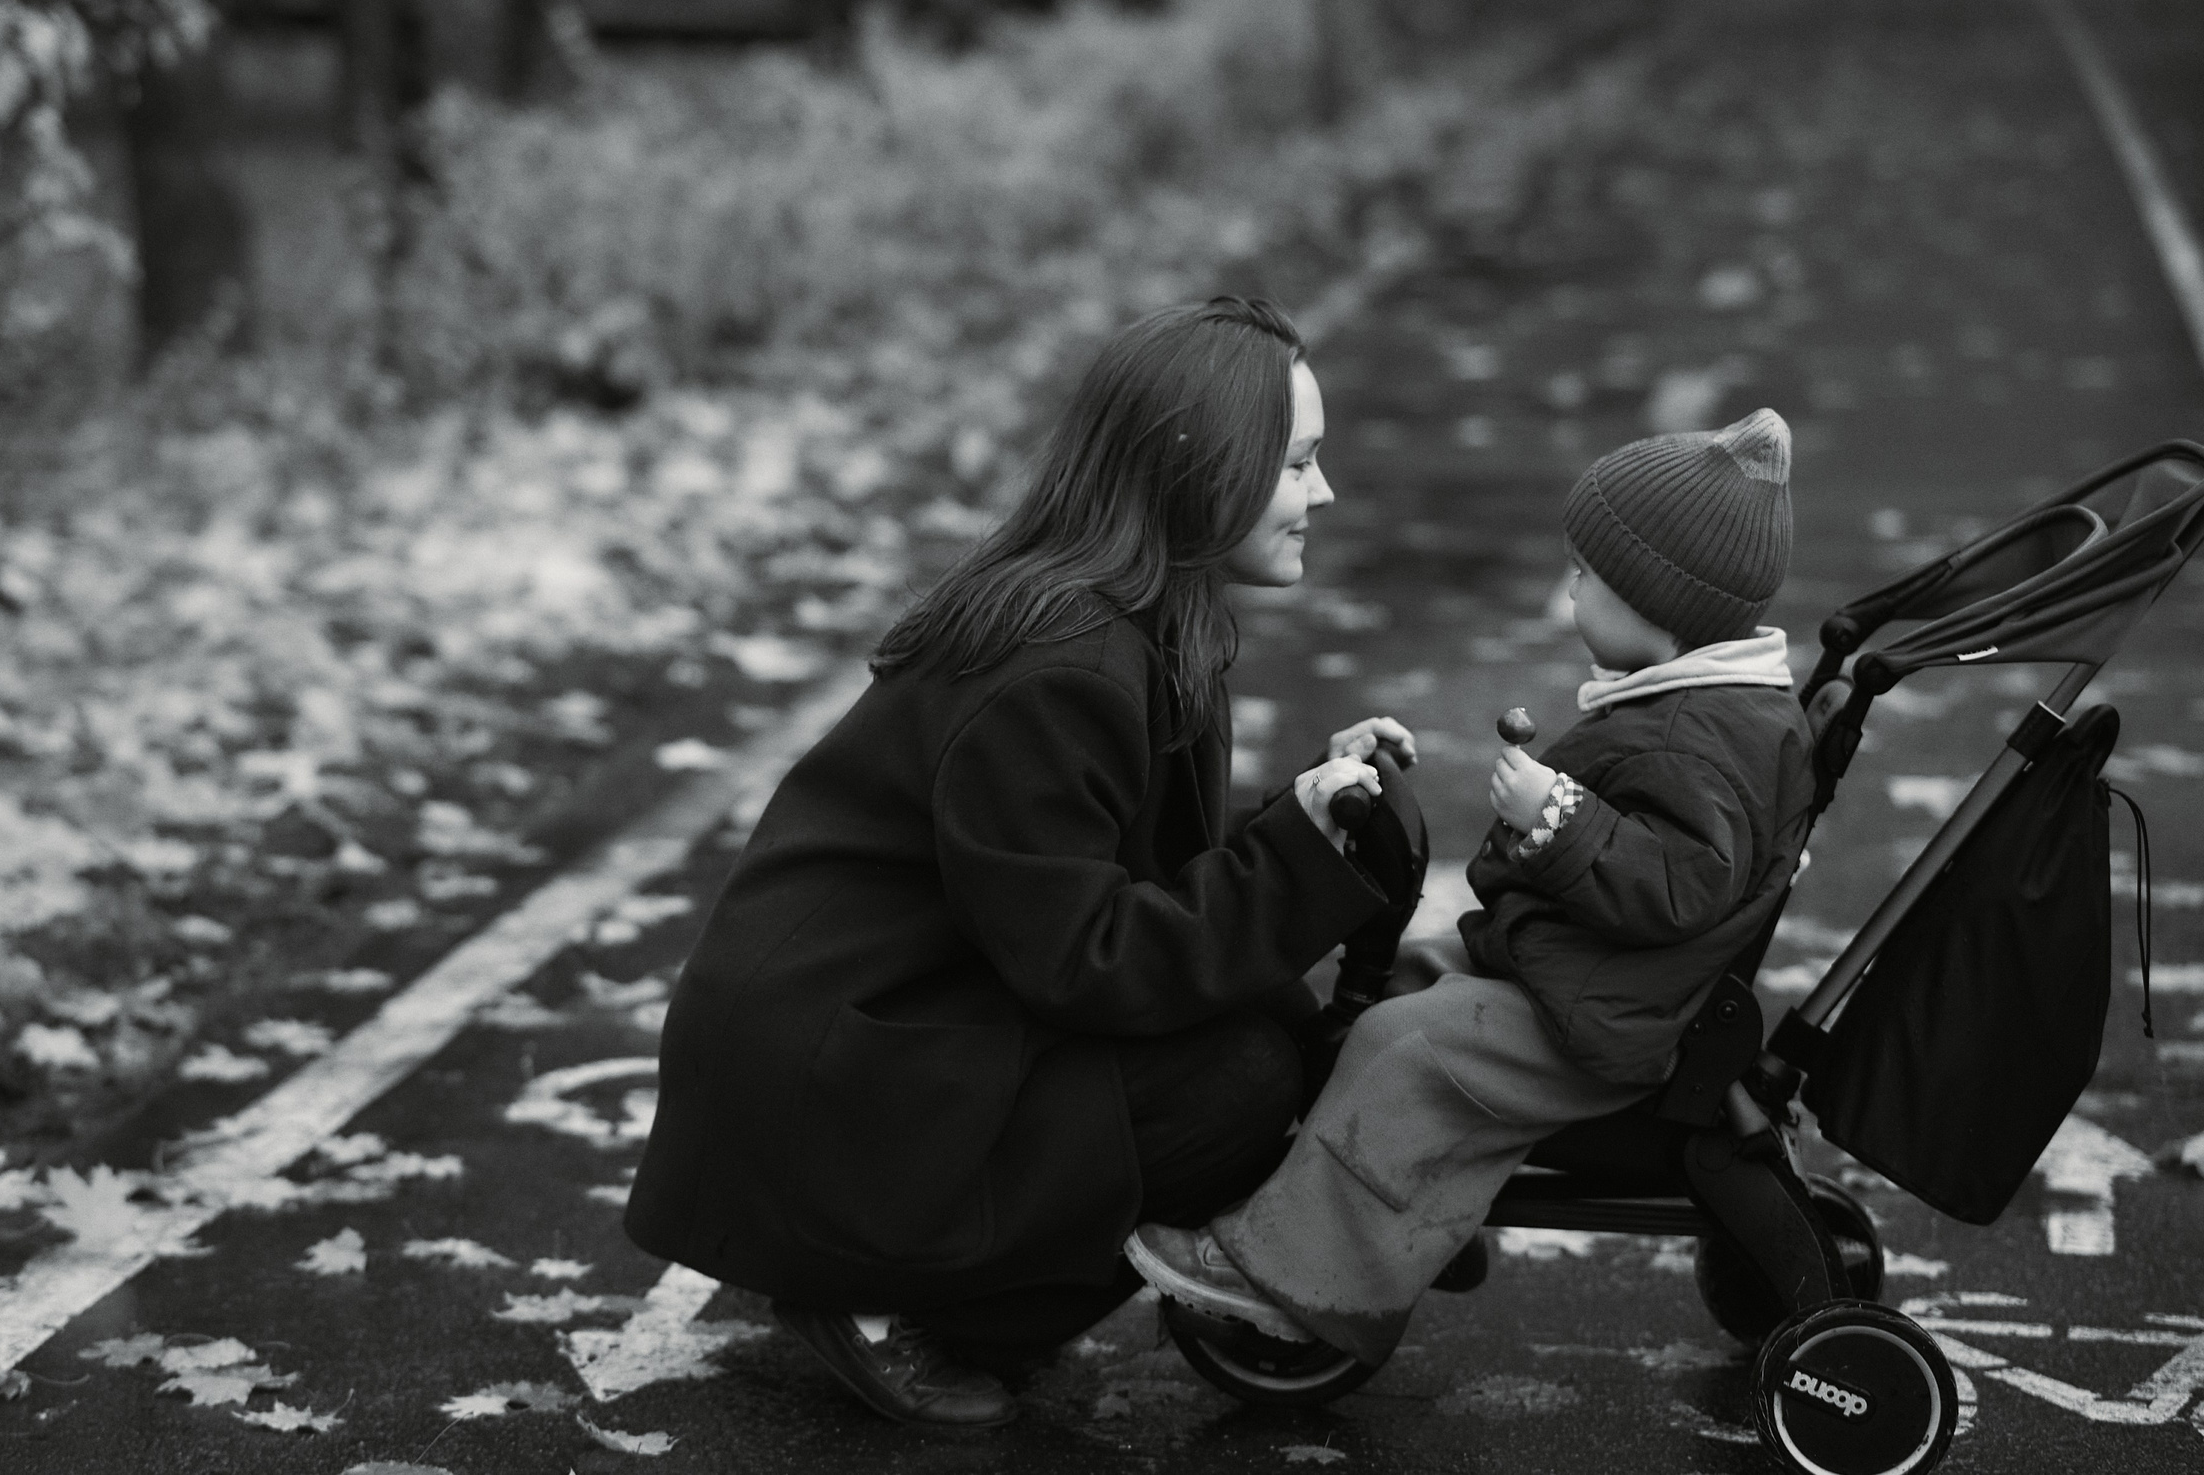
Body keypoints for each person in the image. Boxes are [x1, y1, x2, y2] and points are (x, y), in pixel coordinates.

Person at [624, 298, 1424, 1428]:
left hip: (909, 1018)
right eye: (1297, 463)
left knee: (1264, 1041)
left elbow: (1124, 876)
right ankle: (878, 1298)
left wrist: (1300, 816)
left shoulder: (1141, 618)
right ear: (1201, 471)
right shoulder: (1062, 662)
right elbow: (1089, 960)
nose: (1324, 492)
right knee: (1236, 1084)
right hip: (841, 1067)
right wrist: (1290, 861)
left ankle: (938, 1281)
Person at [1127, 407, 1816, 1363]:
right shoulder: (1700, 707)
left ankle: (1296, 1276)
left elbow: (1681, 886)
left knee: (1409, 1045)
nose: (1567, 590)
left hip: (1614, 1011)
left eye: (1586, 576)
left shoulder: (1694, 736)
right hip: (1590, 971)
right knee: (1412, 973)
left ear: (1659, 604)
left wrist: (1559, 818)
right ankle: (1405, 1227)